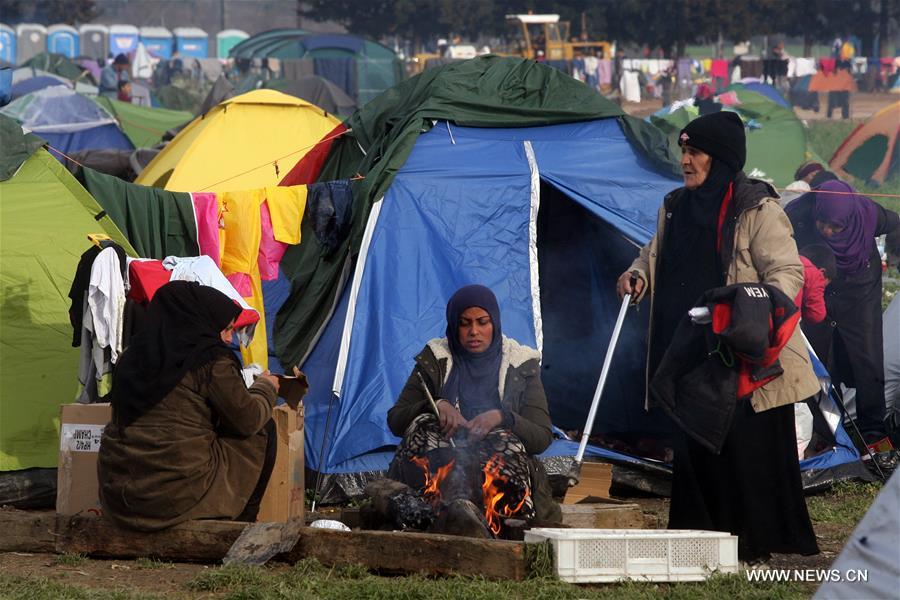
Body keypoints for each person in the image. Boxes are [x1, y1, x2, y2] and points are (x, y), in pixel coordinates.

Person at [616, 111, 820, 563]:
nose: (685, 161)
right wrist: (636, 273)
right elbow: (655, 252)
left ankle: (757, 541)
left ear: (722, 159)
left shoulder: (757, 209)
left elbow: (787, 272)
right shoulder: (675, 205)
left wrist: (750, 310)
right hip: (692, 351)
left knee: (748, 451)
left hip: (747, 355)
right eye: (683, 151)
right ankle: (700, 540)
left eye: (695, 152)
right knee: (696, 450)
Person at [98, 281, 280, 531]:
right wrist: (266, 387)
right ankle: (243, 523)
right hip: (174, 499)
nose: (229, 339)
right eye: (226, 329)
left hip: (121, 499)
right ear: (200, 320)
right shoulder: (210, 360)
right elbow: (248, 419)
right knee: (264, 427)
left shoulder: (130, 357)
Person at [386, 284, 560, 526]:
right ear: (454, 326)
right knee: (424, 425)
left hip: (497, 478)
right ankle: (422, 515)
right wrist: (437, 405)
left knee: (507, 441)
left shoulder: (520, 365)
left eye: (482, 322)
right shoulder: (436, 359)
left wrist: (503, 417)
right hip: (444, 476)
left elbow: (541, 437)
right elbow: (396, 420)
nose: (474, 331)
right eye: (465, 323)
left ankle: (508, 522)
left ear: (495, 323)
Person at [786, 180, 900, 448]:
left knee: (868, 358)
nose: (827, 231)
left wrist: (895, 256)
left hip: (860, 291)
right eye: (822, 223)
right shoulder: (800, 213)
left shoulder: (870, 215)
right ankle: (824, 430)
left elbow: (897, 223)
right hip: (819, 289)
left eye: (836, 227)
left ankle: (873, 432)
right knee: (819, 356)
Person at [797, 244, 836, 325]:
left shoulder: (786, 263)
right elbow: (817, 315)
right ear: (822, 272)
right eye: (823, 285)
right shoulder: (815, 275)